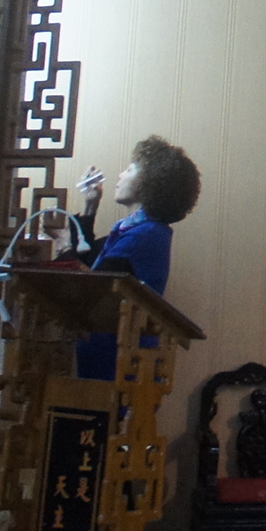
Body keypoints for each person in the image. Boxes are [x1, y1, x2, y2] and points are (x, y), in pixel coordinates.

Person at [70, 135, 202, 380]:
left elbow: (92, 286)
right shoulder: (136, 229)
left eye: (129, 170)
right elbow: (90, 259)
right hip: (110, 355)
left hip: (119, 364)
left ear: (147, 183)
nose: (120, 176)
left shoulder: (146, 234)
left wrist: (61, 244)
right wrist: (90, 206)